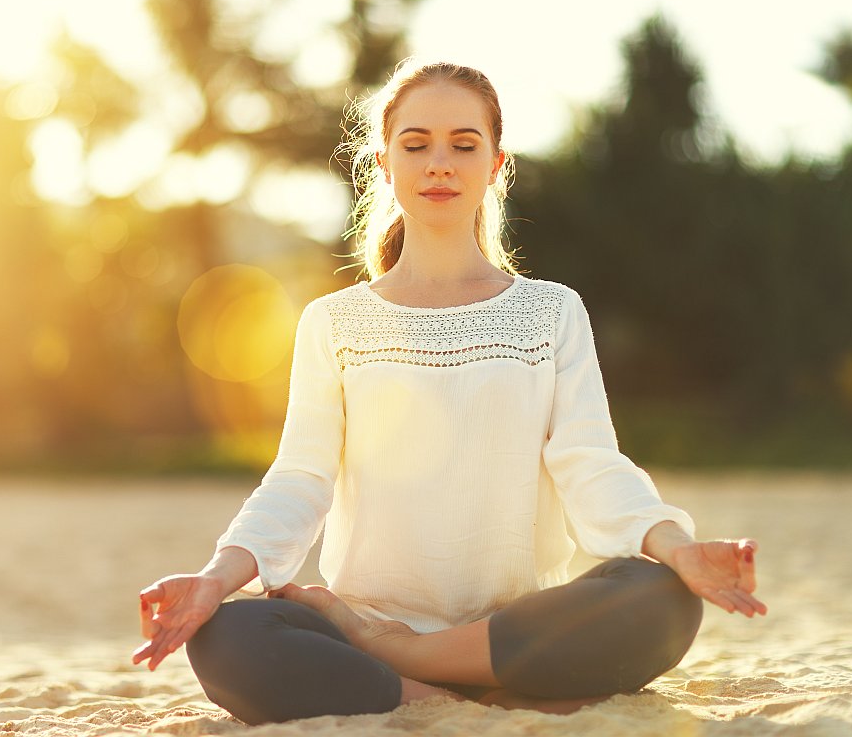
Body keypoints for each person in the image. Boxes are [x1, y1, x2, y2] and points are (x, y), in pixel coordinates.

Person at [132, 59, 766, 725]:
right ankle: (463, 689)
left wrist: (675, 546)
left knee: (660, 597)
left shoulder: (551, 313)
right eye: (416, 145)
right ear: (384, 163)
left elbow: (590, 463)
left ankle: (409, 663)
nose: (439, 163)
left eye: (464, 145)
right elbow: (300, 478)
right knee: (226, 635)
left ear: (495, 165)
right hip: (363, 619)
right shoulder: (334, 323)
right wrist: (212, 579)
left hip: (510, 628)